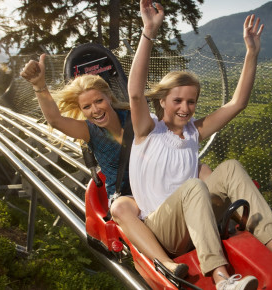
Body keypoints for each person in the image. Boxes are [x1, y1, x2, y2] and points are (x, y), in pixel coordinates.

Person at [127, 1, 272, 289]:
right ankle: (221, 277)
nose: (185, 107)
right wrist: (148, 32)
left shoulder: (194, 132)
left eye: (191, 101)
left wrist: (252, 53)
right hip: (162, 229)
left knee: (230, 167)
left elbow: (237, 103)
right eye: (177, 100)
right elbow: (134, 95)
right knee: (195, 185)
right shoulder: (148, 131)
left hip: (193, 218)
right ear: (162, 101)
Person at [19, 56, 205, 278]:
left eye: (98, 101)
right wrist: (39, 86)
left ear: (109, 97)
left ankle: (232, 223)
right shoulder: (90, 131)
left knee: (203, 170)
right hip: (129, 194)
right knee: (119, 209)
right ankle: (166, 264)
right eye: (86, 107)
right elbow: (56, 121)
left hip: (158, 182)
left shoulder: (135, 118)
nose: (95, 110)